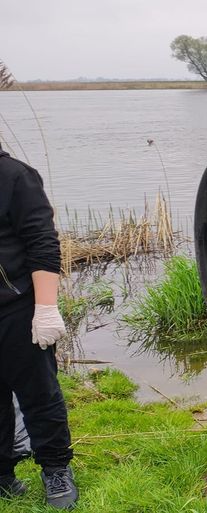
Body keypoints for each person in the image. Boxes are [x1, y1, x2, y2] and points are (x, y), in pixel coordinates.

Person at [0, 143, 79, 509]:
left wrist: (45, 309)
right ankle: (3, 474)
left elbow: (43, 243)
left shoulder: (16, 176)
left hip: (16, 307)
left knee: (38, 394)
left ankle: (55, 468)